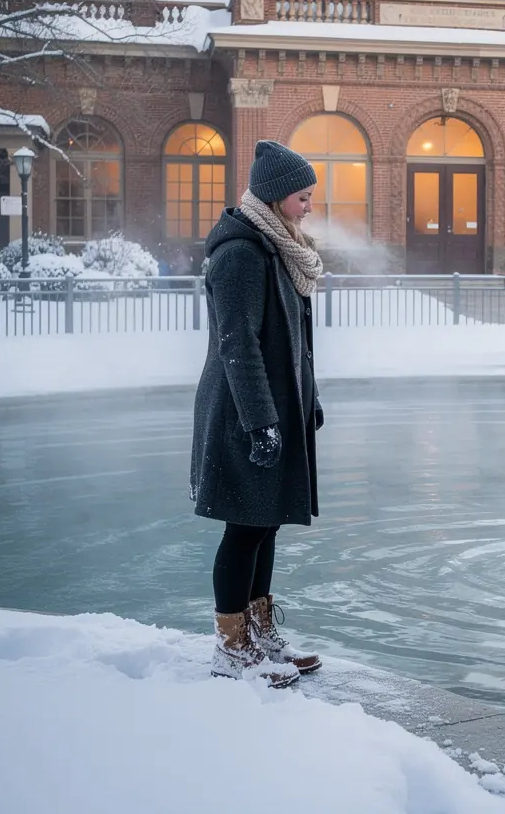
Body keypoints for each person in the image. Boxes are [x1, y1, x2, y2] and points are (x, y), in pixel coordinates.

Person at [190, 140, 325, 687]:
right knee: (245, 527)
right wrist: (261, 423)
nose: (309, 206)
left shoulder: (278, 249)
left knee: (266, 525)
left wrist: (306, 400)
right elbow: (238, 345)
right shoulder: (241, 254)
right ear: (274, 198)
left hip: (275, 408)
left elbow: (292, 342)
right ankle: (232, 647)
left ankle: (260, 636)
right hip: (243, 413)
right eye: (302, 196)